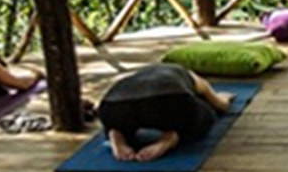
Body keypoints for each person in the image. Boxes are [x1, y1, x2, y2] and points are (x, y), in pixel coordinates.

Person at [98, 63, 233, 162]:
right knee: (207, 116)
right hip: (167, 101)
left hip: (110, 107)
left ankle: (116, 132)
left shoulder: (141, 74)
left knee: (126, 116)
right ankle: (169, 138)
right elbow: (220, 105)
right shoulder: (187, 74)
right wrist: (224, 98)